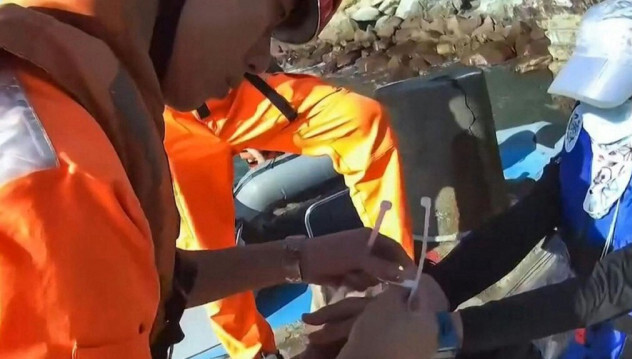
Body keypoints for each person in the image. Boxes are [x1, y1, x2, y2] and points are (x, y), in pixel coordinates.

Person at [0, 1, 416, 358]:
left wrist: (300, 258)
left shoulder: (57, 95)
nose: (260, 58)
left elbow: (140, 287)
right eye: (271, 14)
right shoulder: (57, 175)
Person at [297, 1, 632, 358]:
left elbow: (617, 284)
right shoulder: (592, 134)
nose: (600, 112)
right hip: (585, 322)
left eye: (625, 96)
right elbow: (533, 214)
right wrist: (435, 289)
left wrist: (446, 331)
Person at [164, 67, 414, 357]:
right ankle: (253, 352)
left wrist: (258, 72)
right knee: (205, 243)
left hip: (228, 90)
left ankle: (398, 282)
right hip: (168, 120)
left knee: (361, 121)